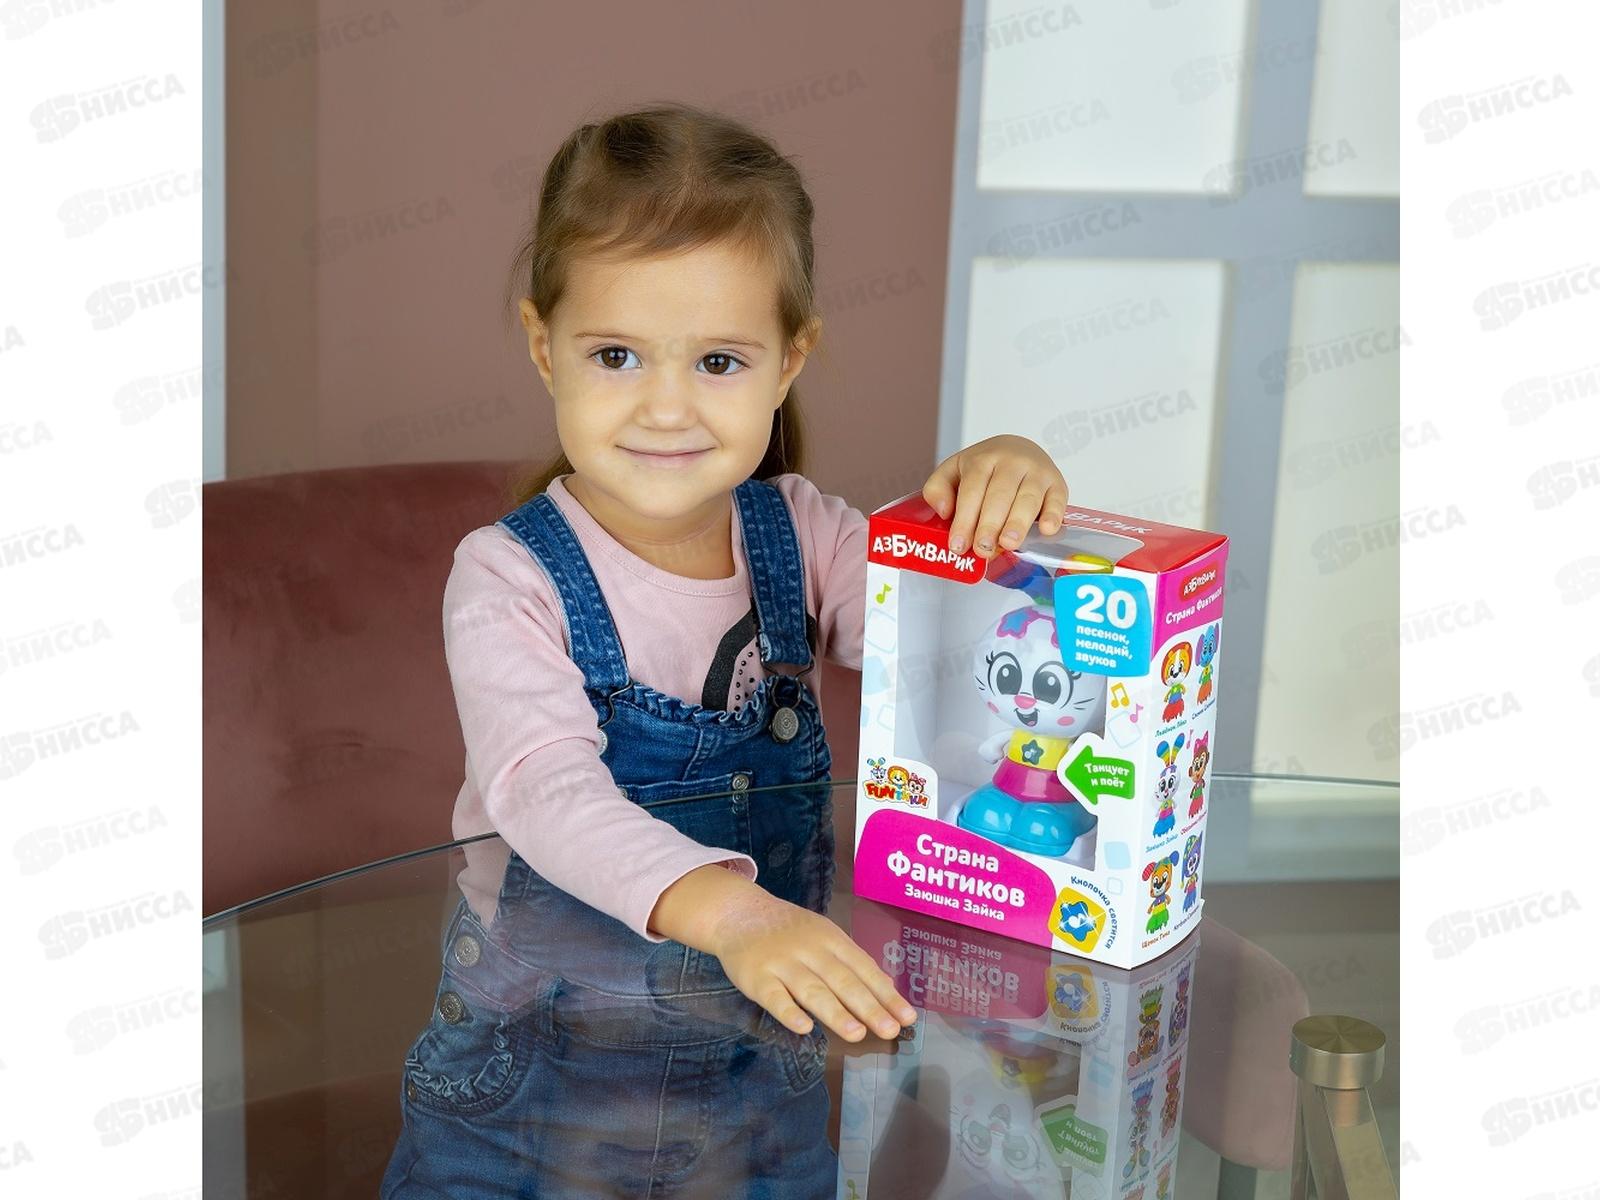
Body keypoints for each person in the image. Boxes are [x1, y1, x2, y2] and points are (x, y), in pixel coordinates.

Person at [382, 102, 1071, 1198]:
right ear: (544, 347)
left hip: (754, 1064)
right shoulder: (508, 576)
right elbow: (545, 791)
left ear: (788, 361)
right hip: (537, 1078)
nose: (666, 408)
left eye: (716, 360)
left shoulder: (808, 537)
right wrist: (738, 915)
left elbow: (968, 655)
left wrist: (1006, 487)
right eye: (616, 354)